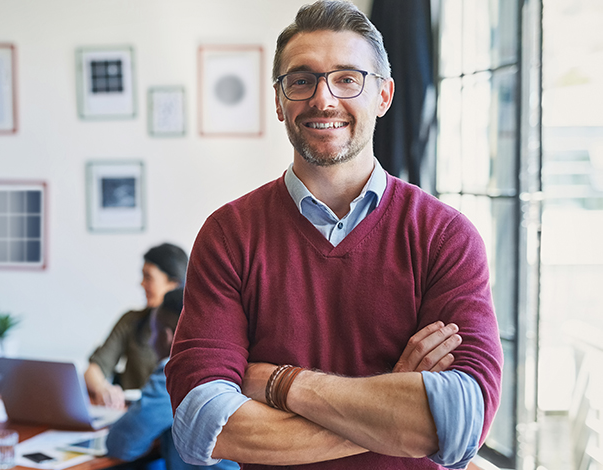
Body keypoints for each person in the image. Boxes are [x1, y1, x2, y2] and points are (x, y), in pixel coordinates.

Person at [165, 2, 503, 470]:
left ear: (383, 96)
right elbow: (201, 423)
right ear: (280, 102)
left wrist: (283, 384)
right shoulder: (228, 236)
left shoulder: (444, 236)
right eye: (301, 80)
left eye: (348, 78)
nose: (323, 99)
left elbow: (461, 422)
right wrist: (393, 401)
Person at [107, 288, 237, 470]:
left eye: (152, 333)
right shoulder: (229, 365)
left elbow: (121, 445)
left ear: (167, 337)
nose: (151, 342)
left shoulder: (176, 374)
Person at [85, 243, 188, 408]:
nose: (142, 284)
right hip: (131, 413)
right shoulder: (131, 320)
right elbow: (94, 368)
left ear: (173, 284)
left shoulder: (196, 329)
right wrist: (103, 389)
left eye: (148, 277)